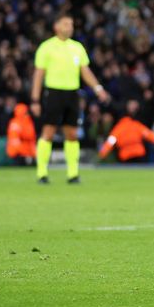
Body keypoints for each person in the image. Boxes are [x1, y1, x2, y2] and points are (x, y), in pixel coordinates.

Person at [30, 12, 109, 184]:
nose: (70, 28)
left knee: (72, 134)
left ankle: (72, 174)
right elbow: (38, 74)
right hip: (53, 92)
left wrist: (98, 88)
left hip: (72, 94)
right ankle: (42, 173)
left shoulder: (77, 47)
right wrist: (35, 99)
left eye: (71, 24)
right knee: (48, 132)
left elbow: (85, 71)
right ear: (56, 26)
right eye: (66, 24)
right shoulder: (46, 47)